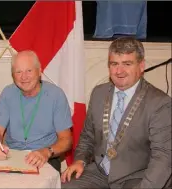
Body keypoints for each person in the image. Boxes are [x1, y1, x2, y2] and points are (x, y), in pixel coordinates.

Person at [61, 37, 171, 188]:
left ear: (141, 66)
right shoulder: (99, 93)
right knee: (66, 185)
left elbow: (163, 158)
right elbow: (88, 136)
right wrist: (80, 160)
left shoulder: (160, 103)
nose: (119, 71)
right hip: (100, 172)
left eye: (127, 64)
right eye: (114, 64)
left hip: (137, 177)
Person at [0, 50, 72, 173]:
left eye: (29, 71)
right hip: (12, 156)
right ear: (13, 75)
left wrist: (47, 152)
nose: (24, 77)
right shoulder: (7, 93)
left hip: (45, 158)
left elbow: (66, 140)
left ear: (39, 71)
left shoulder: (56, 95)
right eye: (18, 72)